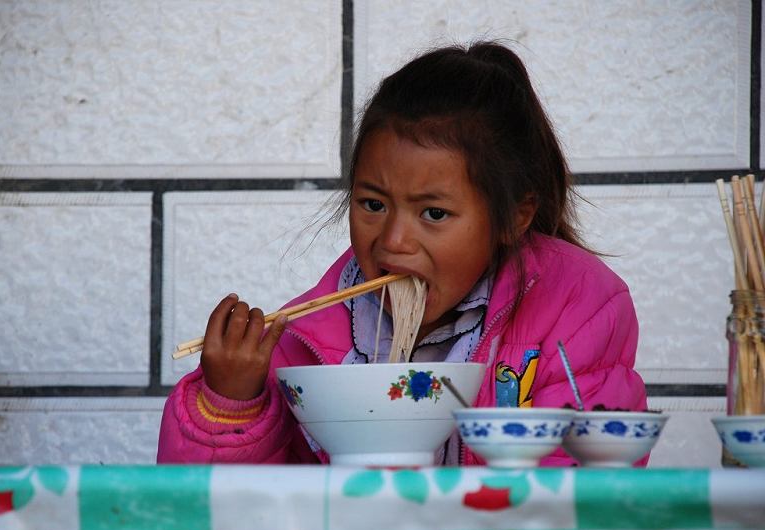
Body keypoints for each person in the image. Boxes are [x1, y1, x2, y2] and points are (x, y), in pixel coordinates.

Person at [157, 41, 647, 466]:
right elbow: (228, 506)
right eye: (372, 204)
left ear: (513, 218)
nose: (392, 241)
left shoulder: (575, 306)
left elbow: (586, 483)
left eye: (433, 213)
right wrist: (231, 402)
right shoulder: (311, 334)